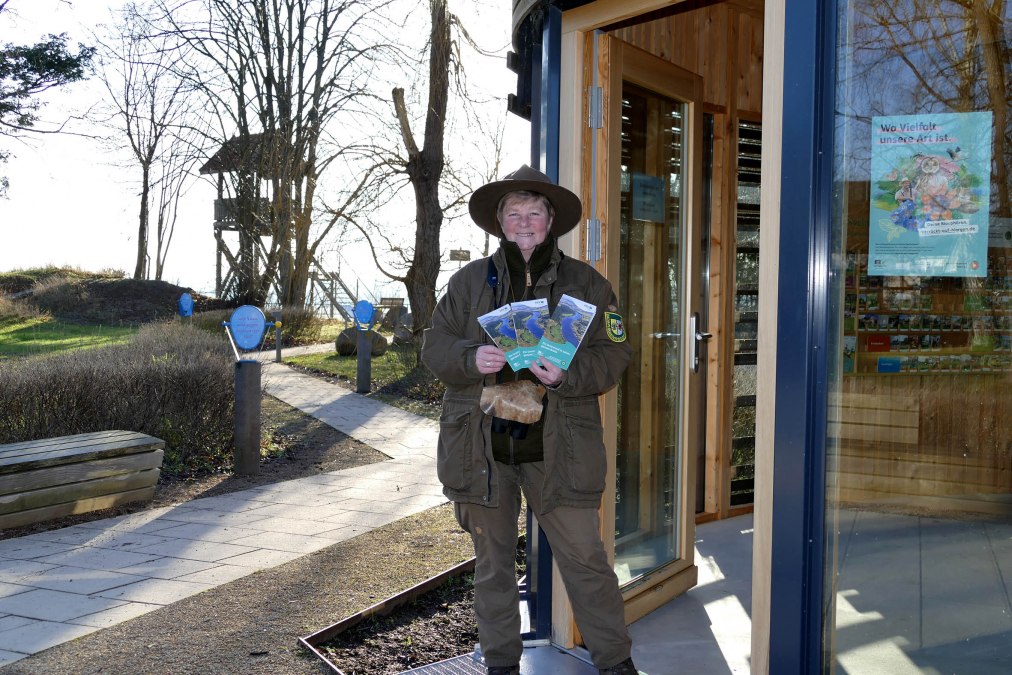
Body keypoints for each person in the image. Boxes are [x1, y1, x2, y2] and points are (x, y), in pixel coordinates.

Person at [421, 165, 638, 675]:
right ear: (499, 222)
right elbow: (434, 344)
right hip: (483, 449)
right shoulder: (468, 282)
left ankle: (616, 663)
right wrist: (470, 359)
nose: (524, 223)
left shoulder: (587, 283)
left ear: (551, 221)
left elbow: (615, 354)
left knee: (586, 561)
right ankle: (500, 665)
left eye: (534, 213)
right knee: (492, 567)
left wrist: (568, 374)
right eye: (513, 213)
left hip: (561, 448)